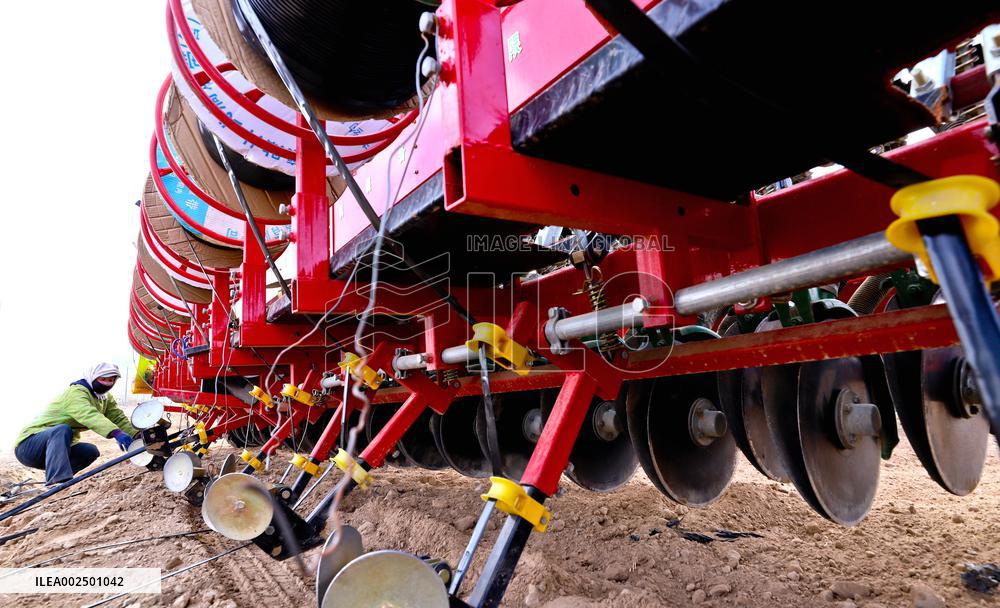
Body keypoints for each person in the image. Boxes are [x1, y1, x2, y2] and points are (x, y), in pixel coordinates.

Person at [13, 362, 139, 485]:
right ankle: (57, 478)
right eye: (103, 379)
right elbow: (88, 414)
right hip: (28, 447)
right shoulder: (76, 392)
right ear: (93, 377)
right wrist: (116, 433)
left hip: (54, 452)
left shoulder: (105, 398)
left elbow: (117, 417)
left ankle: (60, 480)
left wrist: (136, 435)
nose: (107, 383)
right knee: (62, 429)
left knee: (90, 451)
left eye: (111, 380)